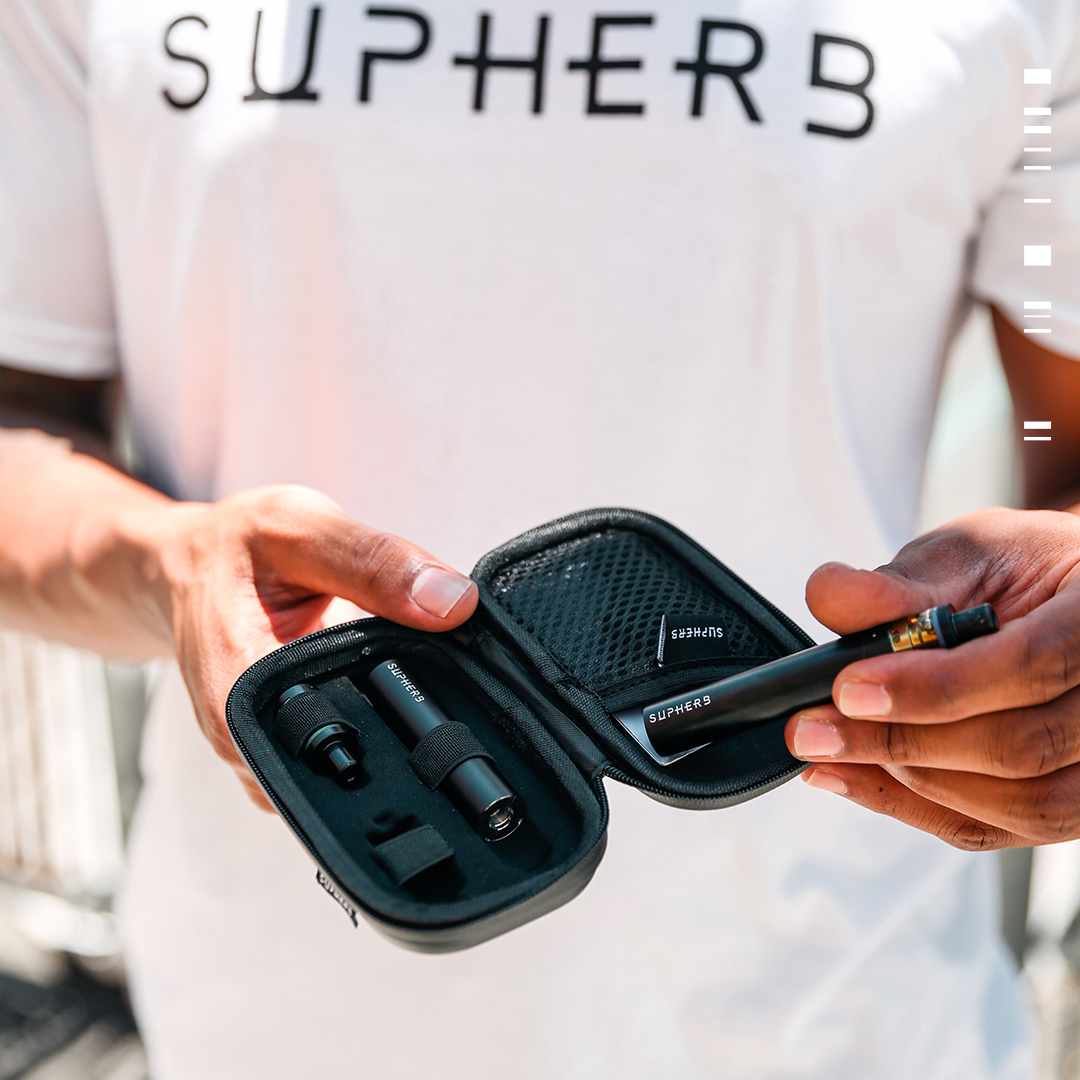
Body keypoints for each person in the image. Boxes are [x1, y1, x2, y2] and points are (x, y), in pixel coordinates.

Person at [1, 2, 1079, 1076]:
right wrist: (168, 564)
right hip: (267, 1014)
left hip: (843, 1016)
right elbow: (22, 428)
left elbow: (1060, 447)